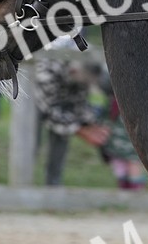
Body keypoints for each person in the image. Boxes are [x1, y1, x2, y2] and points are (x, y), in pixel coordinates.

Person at [32, 39, 109, 186]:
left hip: (60, 94)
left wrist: (92, 124)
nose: (85, 86)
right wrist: (81, 130)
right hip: (34, 99)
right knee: (31, 141)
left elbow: (80, 103)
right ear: (73, 71)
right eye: (84, 83)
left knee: (61, 138)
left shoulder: (86, 60)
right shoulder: (47, 70)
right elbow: (48, 111)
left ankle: (53, 186)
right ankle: (23, 182)